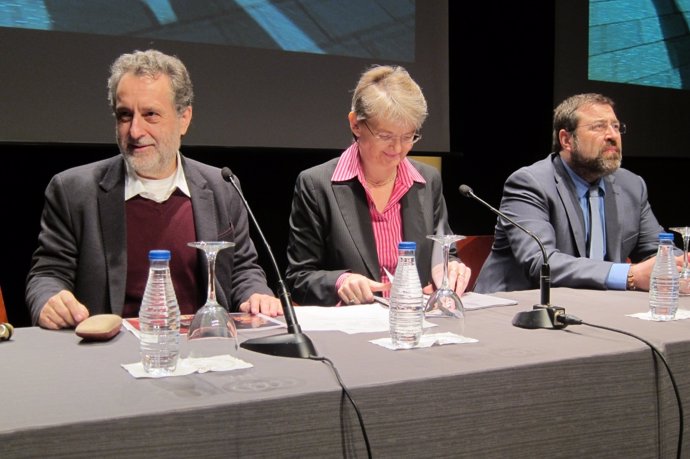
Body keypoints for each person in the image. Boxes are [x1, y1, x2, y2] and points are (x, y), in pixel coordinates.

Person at [26, 49, 282, 329]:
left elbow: (243, 269)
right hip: (110, 355)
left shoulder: (222, 186)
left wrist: (255, 294)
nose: (135, 131)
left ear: (184, 118)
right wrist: (49, 299)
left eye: (150, 115)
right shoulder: (74, 191)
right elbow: (47, 275)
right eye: (125, 116)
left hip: (203, 347)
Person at [285, 65, 470, 306]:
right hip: (354, 329)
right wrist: (341, 282)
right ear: (355, 124)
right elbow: (299, 278)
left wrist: (450, 269)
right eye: (385, 136)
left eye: (408, 137)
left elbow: (443, 254)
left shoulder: (427, 181)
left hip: (415, 321)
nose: (397, 148)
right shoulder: (317, 185)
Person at [474, 93, 682, 294]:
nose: (612, 135)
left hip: (596, 305)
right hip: (518, 307)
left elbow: (657, 249)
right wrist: (629, 274)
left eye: (616, 126)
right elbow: (540, 262)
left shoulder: (632, 185)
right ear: (566, 139)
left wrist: (680, 265)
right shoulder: (529, 183)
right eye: (598, 127)